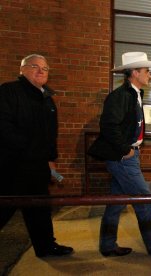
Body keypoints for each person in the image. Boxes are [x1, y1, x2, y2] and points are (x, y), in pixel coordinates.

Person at [88, 52, 151, 257]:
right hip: (123, 159)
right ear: (135, 72)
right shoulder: (120, 96)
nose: (150, 75)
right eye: (147, 71)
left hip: (127, 157)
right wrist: (126, 150)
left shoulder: (134, 94)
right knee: (145, 199)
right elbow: (108, 126)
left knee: (115, 203)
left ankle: (107, 245)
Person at [0, 54, 73, 257]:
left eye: (45, 68)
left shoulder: (47, 99)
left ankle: (46, 247)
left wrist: (50, 161)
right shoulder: (8, 92)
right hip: (11, 166)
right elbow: (3, 128)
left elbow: (51, 135)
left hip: (38, 166)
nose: (41, 71)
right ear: (21, 70)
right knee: (4, 208)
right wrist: (29, 151)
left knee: (40, 209)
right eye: (35, 66)